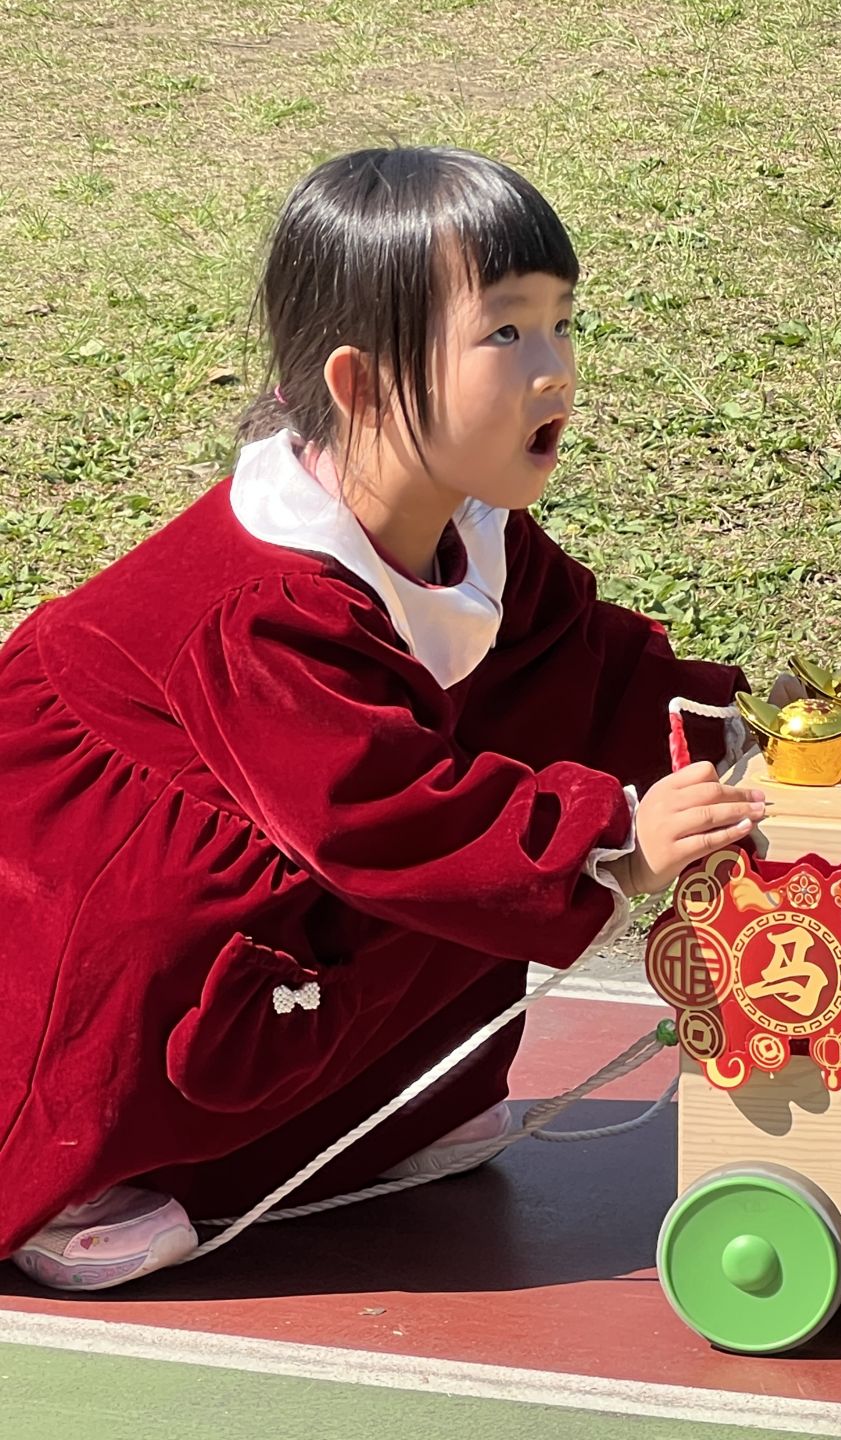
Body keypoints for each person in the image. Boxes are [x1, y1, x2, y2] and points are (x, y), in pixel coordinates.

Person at [0, 146, 768, 1291]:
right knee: (198, 917)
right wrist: (615, 839)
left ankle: (397, 1101)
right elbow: (376, 812)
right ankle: (69, 1170)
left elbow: (584, 670)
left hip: (301, 824)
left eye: (562, 324)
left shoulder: (475, 537)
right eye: (505, 333)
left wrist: (739, 734)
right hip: (78, 862)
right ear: (358, 383)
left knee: (510, 739)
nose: (554, 370)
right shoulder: (262, 608)